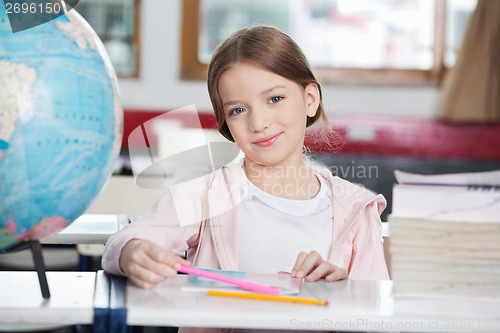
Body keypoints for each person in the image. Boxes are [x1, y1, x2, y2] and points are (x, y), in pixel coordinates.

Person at [102, 24, 388, 299]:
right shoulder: (203, 193)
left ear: (310, 98)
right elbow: (123, 241)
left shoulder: (357, 209)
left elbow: (376, 311)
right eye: (238, 110)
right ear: (226, 122)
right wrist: (132, 253)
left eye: (275, 98)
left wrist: (343, 292)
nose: (259, 123)